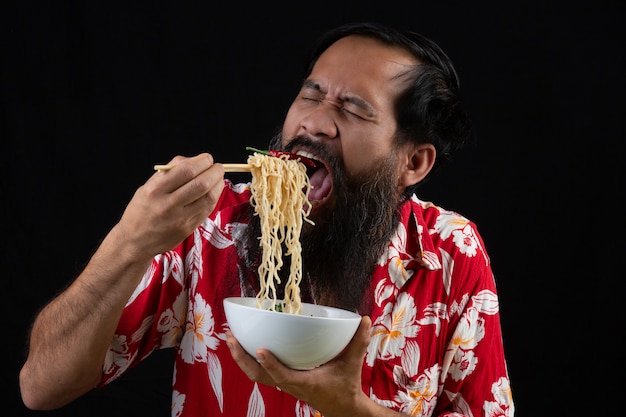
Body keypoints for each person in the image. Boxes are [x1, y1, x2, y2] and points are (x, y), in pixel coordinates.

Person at [19, 22, 515, 417]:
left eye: (353, 110)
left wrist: (351, 410)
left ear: (413, 163)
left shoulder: (450, 253)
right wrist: (128, 242)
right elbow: (41, 388)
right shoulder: (210, 225)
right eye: (311, 94)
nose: (314, 122)